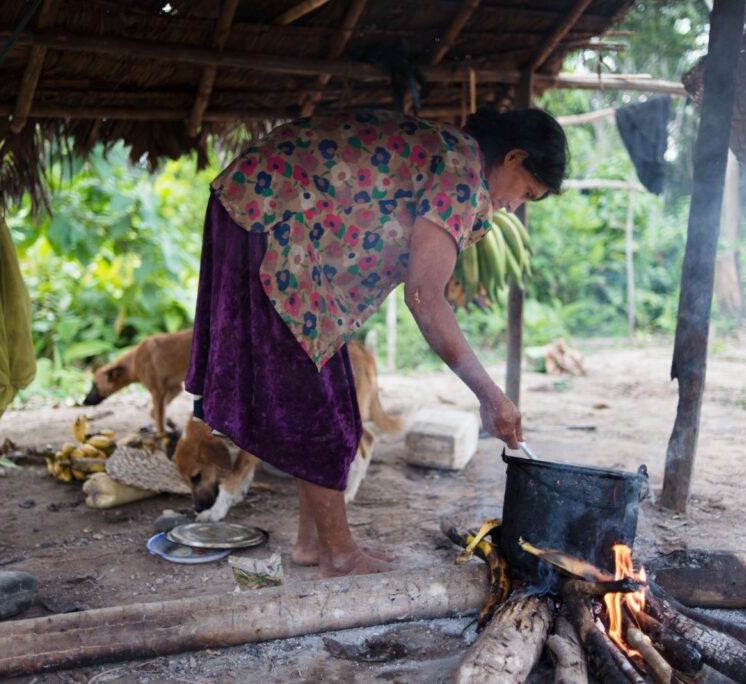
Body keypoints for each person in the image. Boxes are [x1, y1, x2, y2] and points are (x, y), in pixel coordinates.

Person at [185, 107, 568, 577]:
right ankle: (339, 556)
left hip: (267, 210)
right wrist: (490, 395)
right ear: (513, 157)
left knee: (326, 403)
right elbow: (424, 296)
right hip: (272, 215)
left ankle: (314, 544)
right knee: (323, 411)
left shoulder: (454, 157)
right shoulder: (462, 176)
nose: (514, 205)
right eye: (526, 192)